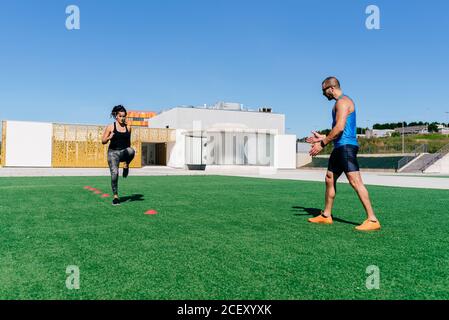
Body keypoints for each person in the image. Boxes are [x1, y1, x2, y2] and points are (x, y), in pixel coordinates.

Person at [306, 77, 381, 231]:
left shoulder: (342, 102)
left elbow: (340, 128)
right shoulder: (338, 103)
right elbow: (340, 129)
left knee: (355, 182)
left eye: (323, 90)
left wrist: (322, 143)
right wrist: (323, 137)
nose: (322, 94)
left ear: (331, 88)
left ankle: (372, 219)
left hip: (346, 148)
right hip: (339, 147)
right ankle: (326, 215)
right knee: (329, 178)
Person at [102, 105, 135, 206]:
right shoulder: (111, 127)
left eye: (124, 116)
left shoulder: (128, 127)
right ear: (116, 116)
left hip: (123, 151)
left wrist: (127, 157)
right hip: (113, 153)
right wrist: (109, 137)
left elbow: (128, 143)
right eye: (120, 116)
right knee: (114, 174)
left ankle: (126, 164)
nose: (123, 118)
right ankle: (115, 196)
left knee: (131, 150)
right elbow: (103, 141)